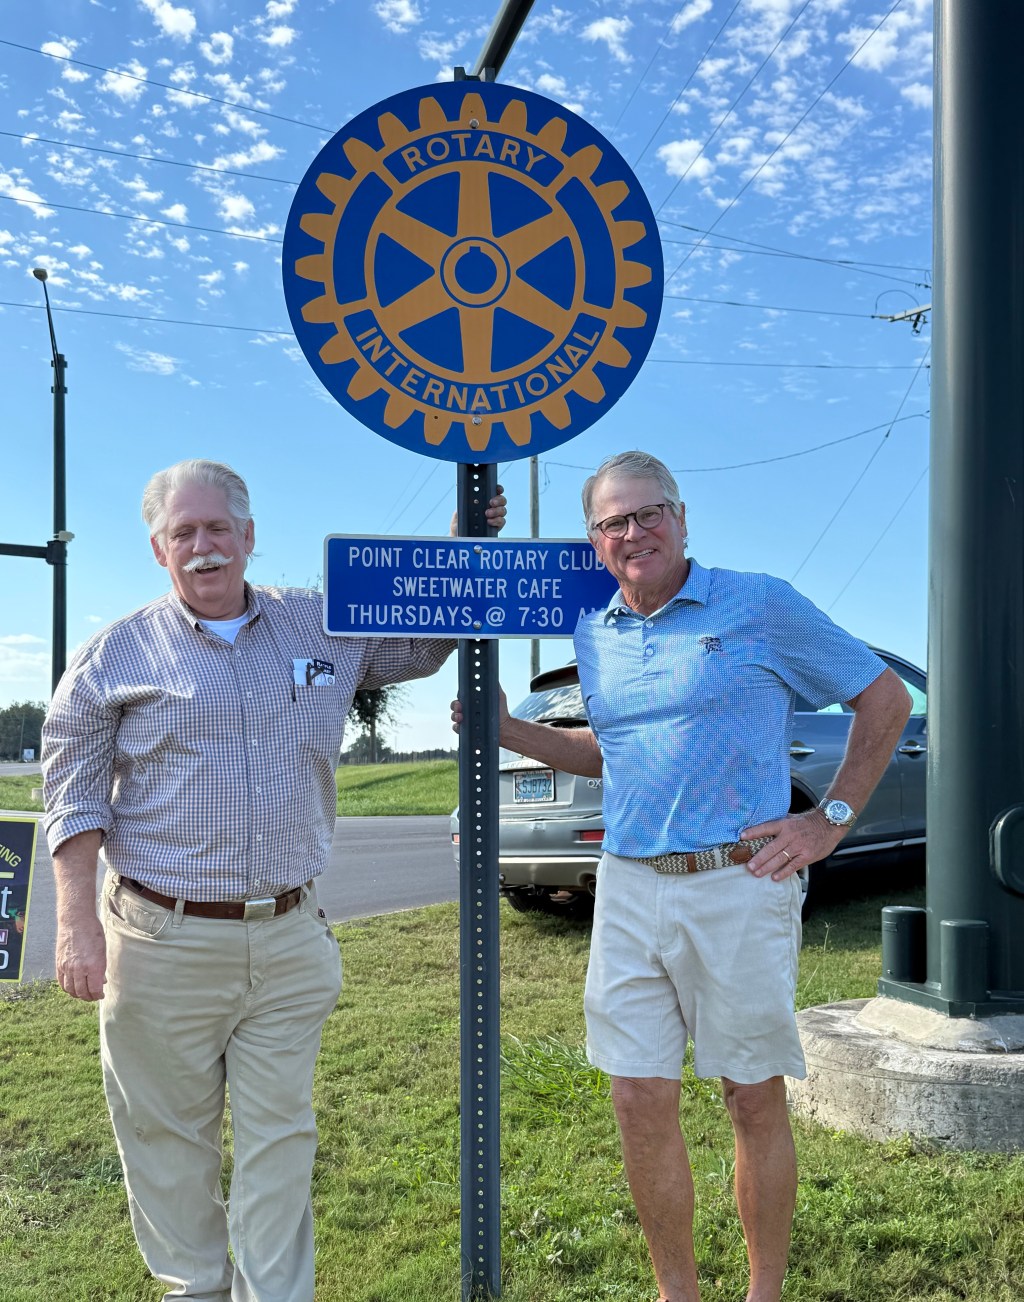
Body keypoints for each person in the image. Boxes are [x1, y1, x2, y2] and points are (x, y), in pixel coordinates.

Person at [42, 458, 505, 1302]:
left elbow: (421, 644)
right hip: (159, 939)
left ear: (249, 536)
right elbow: (72, 798)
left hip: (290, 939)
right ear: (158, 549)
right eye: (184, 532)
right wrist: (76, 927)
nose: (204, 547)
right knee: (165, 1139)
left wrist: (459, 549)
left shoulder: (318, 623)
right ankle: (195, 1288)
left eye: (219, 528)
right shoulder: (114, 656)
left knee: (280, 1141)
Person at [453, 450, 911, 1302]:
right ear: (595, 539)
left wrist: (829, 820)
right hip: (627, 885)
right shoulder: (596, 629)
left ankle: (763, 1292)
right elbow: (608, 749)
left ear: (682, 517)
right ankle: (678, 1294)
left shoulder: (759, 603)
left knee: (750, 1096)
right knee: (635, 1097)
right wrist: (509, 730)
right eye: (613, 522)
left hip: (737, 882)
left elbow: (886, 699)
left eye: (648, 513)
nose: (633, 533)